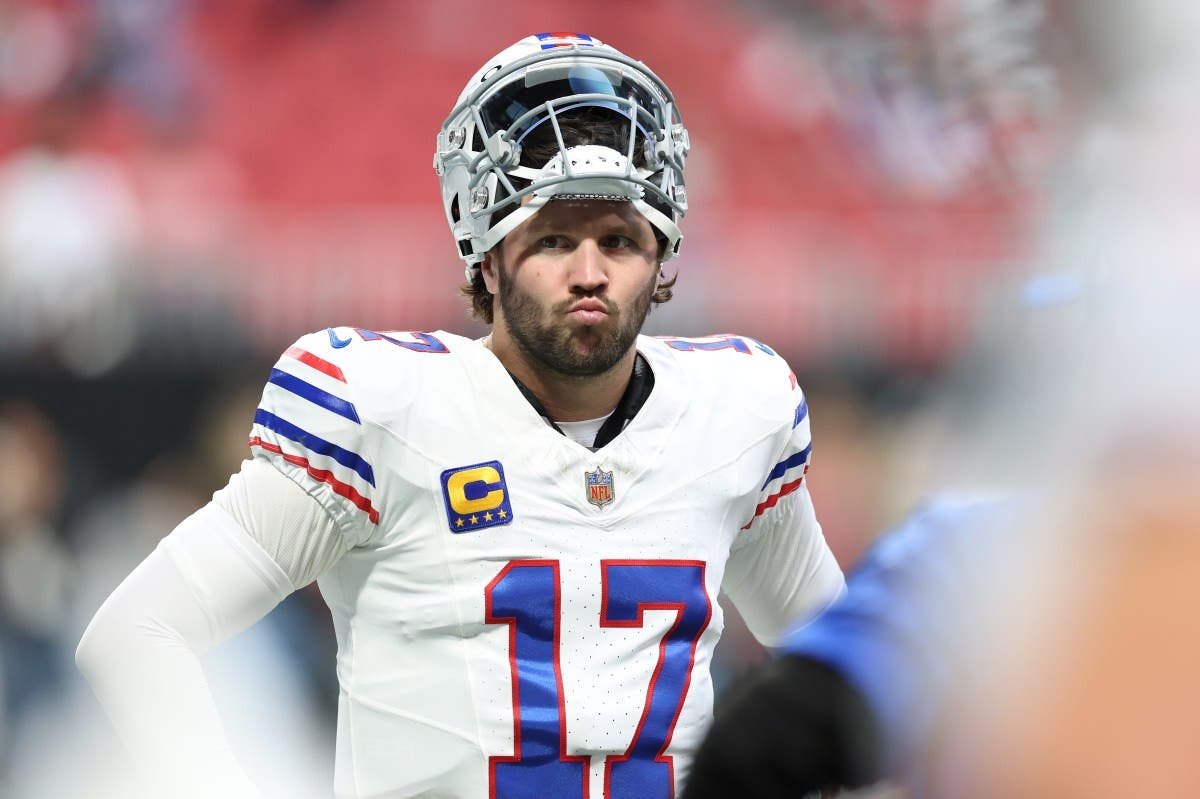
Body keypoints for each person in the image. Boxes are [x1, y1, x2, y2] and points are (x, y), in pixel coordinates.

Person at [76, 33, 844, 799]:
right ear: (486, 254)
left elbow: (844, 672)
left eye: (618, 240)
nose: (589, 273)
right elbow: (136, 633)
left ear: (662, 250)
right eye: (553, 239)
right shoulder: (383, 410)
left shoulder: (735, 412)